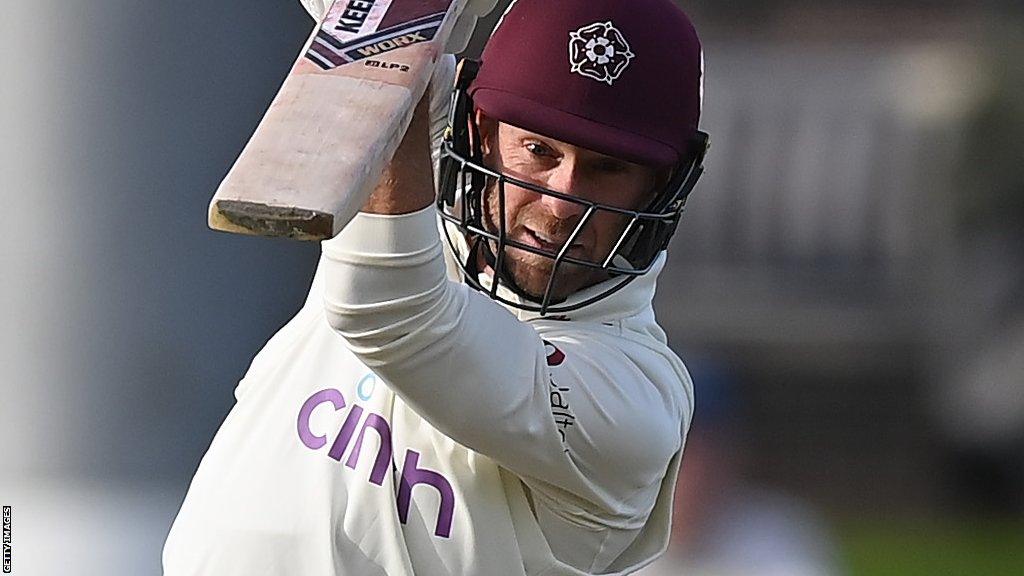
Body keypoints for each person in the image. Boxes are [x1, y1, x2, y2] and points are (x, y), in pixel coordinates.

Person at [163, 0, 708, 574]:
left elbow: (391, 310)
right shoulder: (423, 212)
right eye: (538, 151)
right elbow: (376, 18)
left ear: (659, 188)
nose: (558, 204)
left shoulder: (635, 400)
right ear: (477, 129)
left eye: (608, 169)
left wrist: (391, 52)